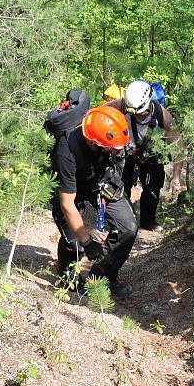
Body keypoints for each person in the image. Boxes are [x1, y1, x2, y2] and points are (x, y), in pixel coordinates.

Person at [51, 105, 137, 296]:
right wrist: (87, 241)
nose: (114, 151)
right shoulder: (66, 153)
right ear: (94, 143)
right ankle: (68, 280)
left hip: (98, 181)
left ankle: (100, 277)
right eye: (111, 148)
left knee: (128, 227)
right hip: (70, 189)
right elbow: (67, 203)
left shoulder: (106, 128)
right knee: (74, 241)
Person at [105, 80, 184, 231]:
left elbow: (178, 147)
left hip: (152, 152)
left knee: (153, 185)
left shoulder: (162, 116)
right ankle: (122, 220)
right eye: (132, 112)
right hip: (126, 150)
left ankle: (148, 221)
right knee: (122, 183)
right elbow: (96, 115)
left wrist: (176, 178)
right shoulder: (119, 106)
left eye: (138, 112)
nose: (134, 115)